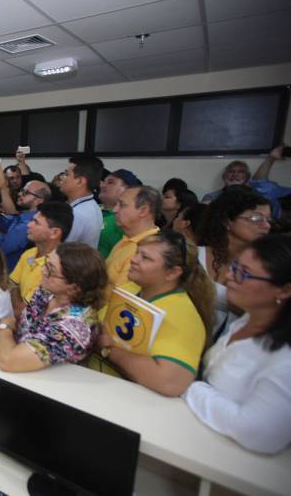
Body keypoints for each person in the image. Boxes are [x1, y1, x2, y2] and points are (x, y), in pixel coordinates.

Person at [183, 234, 291, 454]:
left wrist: (186, 384)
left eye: (244, 273)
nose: (230, 276)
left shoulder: (284, 360)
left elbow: (258, 433)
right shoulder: (248, 318)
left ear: (284, 290)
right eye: (234, 266)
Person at [93, 231, 214, 396]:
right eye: (137, 253)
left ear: (172, 273)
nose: (133, 260)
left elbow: (170, 382)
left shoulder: (182, 315)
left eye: (146, 258)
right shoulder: (132, 288)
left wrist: (109, 350)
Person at [0, 242, 108, 372]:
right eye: (46, 262)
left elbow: (9, 362)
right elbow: (24, 324)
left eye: (51, 269)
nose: (43, 270)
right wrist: (1, 332)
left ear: (74, 287)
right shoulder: (47, 292)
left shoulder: (76, 327)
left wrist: (5, 326)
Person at [197, 185, 272, 339]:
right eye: (256, 218)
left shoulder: (265, 267)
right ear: (227, 222)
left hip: (232, 347)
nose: (266, 225)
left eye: (268, 219)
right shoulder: (194, 256)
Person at [8, 202, 73, 317]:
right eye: (32, 219)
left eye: (36, 223)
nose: (29, 225)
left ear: (55, 233)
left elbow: (21, 311)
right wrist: (15, 289)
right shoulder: (30, 253)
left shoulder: (55, 269)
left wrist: (14, 289)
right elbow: (11, 282)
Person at [105, 186, 161, 292]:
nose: (114, 210)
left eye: (122, 205)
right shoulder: (127, 239)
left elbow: (119, 296)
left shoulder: (149, 250)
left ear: (143, 210)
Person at [60, 155, 104, 248]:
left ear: (80, 181)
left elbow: (62, 249)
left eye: (66, 174)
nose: (62, 178)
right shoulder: (91, 205)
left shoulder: (78, 214)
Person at [98, 169, 141, 258]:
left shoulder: (126, 219)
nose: (102, 185)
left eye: (110, 183)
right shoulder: (92, 208)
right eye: (103, 182)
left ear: (127, 190)